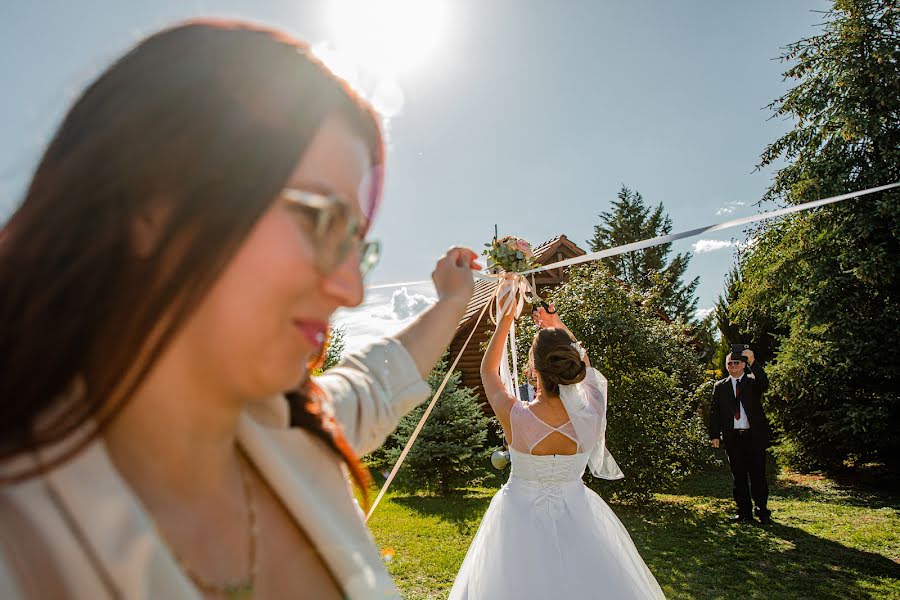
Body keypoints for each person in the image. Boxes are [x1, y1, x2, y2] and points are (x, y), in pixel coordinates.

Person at [0, 20, 478, 599]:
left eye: (357, 245)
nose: (351, 290)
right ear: (153, 201)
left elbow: (376, 383)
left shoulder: (294, 432)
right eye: (321, 220)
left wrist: (454, 302)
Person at [449, 303, 665, 599]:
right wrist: (557, 324)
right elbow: (587, 370)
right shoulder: (593, 412)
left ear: (534, 368)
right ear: (570, 364)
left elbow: (488, 370)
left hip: (517, 518)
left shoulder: (516, 417)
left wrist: (507, 316)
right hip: (577, 512)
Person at [709, 348, 772, 524]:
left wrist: (753, 362)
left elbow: (765, 383)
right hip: (733, 437)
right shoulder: (720, 386)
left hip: (754, 436)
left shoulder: (752, 383)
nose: (732, 365)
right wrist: (715, 435)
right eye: (729, 363)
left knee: (758, 475)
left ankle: (762, 511)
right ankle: (743, 512)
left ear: (744, 365)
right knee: (739, 477)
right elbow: (715, 412)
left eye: (736, 363)